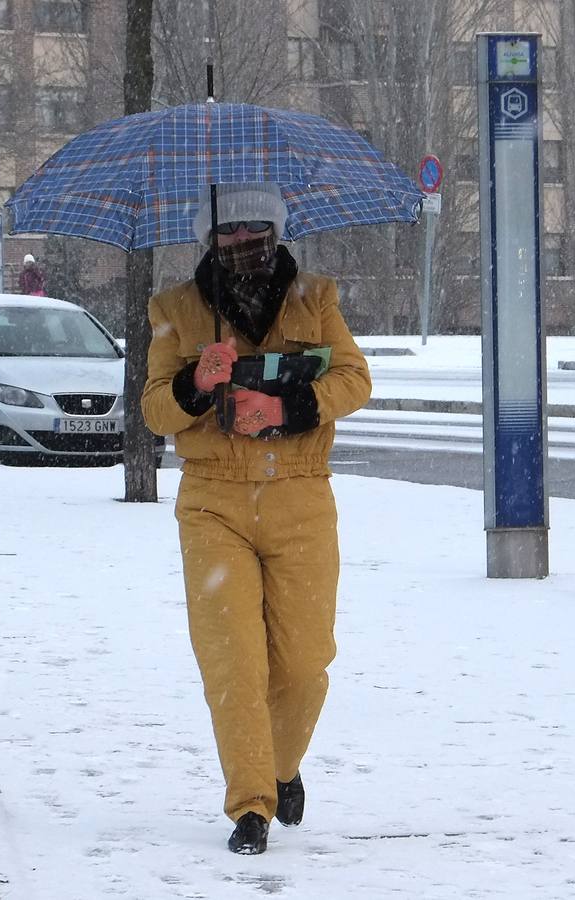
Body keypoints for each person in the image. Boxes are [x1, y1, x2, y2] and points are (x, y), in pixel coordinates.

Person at [142, 183, 371, 855]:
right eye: (229, 236)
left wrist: (288, 409)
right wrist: (195, 384)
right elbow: (156, 409)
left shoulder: (315, 299)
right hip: (213, 503)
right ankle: (250, 804)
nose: (244, 247)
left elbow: (355, 380)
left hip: (300, 496)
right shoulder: (176, 310)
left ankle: (279, 763)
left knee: (303, 663)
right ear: (209, 241)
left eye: (256, 235)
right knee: (233, 664)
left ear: (275, 234)